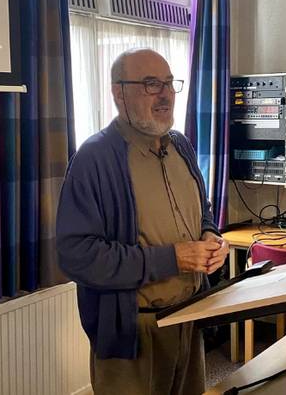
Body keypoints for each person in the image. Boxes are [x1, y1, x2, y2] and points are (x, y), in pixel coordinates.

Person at [56, 48, 229, 395]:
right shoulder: (94, 159)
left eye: (168, 83)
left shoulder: (181, 146)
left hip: (188, 319)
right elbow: (77, 255)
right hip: (133, 332)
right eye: (151, 84)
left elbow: (202, 208)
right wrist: (174, 258)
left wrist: (211, 236)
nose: (165, 94)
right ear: (119, 93)